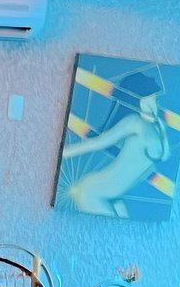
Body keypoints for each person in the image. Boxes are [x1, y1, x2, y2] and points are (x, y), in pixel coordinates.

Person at [60, 69, 170, 217]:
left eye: (155, 99)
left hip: (115, 195)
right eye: (149, 99)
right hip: (91, 190)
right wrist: (63, 153)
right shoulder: (134, 123)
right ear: (137, 99)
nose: (153, 104)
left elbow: (163, 157)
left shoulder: (157, 127)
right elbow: (97, 143)